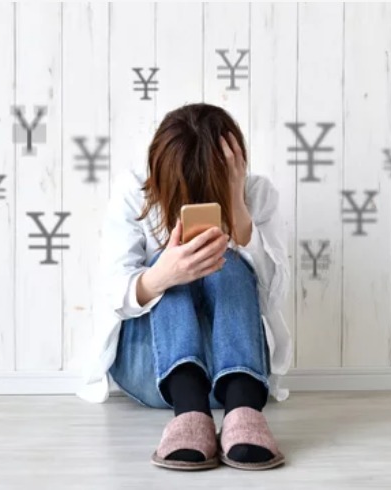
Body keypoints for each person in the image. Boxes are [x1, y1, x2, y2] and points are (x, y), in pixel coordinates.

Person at [76, 103, 293, 471]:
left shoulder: (257, 193)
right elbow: (112, 292)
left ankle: (243, 408)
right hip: (154, 373)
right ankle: (189, 409)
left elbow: (274, 297)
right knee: (164, 263)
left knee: (229, 263)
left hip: (237, 371)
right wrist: (164, 274)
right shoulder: (134, 190)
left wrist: (238, 208)